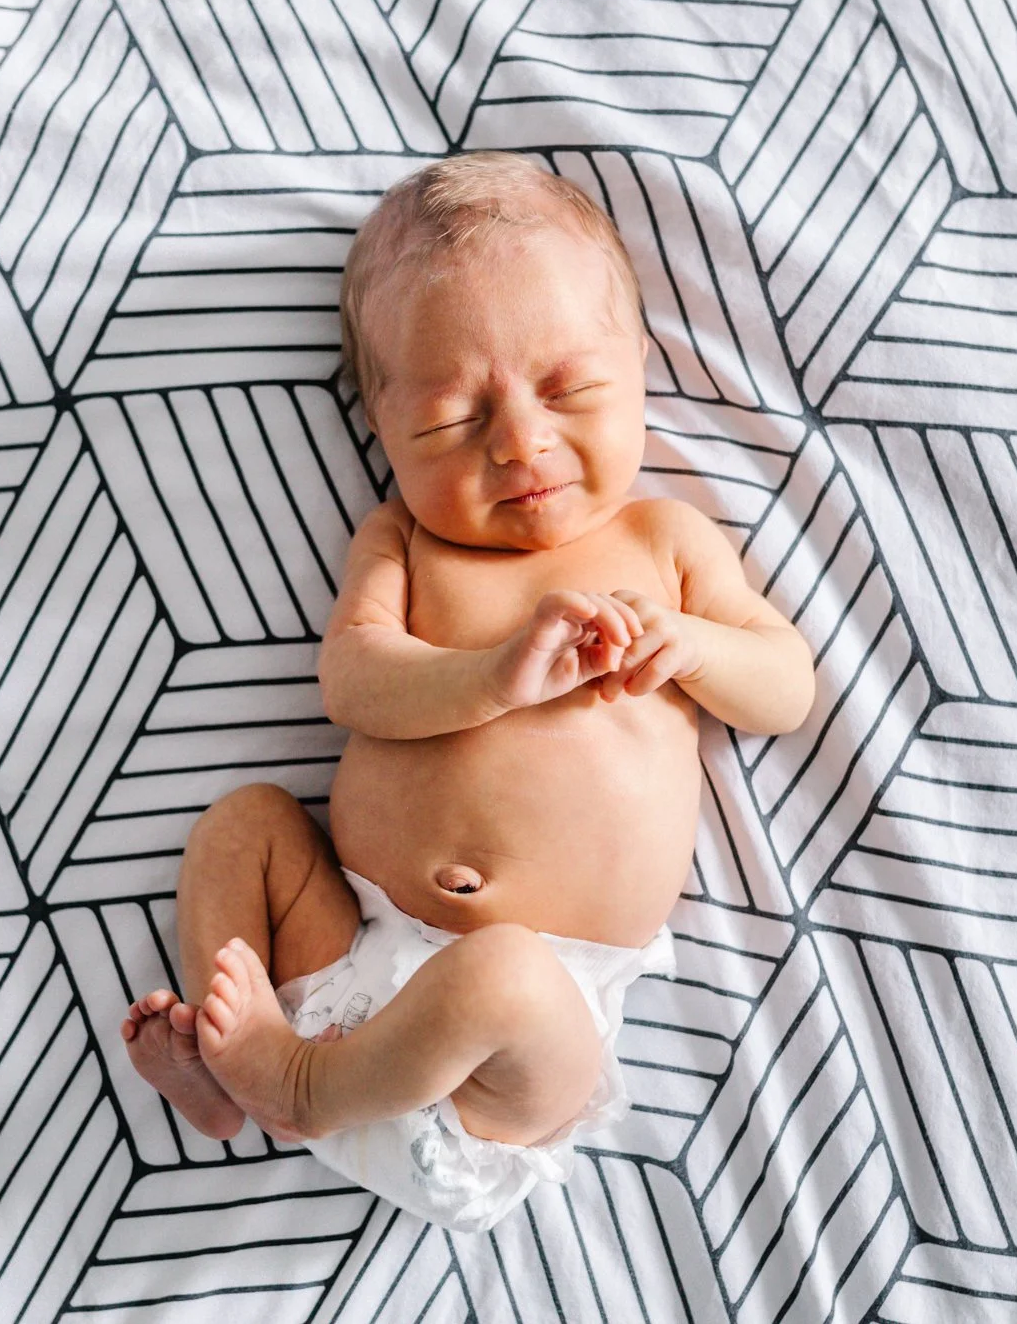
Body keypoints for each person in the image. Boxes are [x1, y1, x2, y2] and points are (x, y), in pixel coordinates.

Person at [120, 151, 816, 1232]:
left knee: (499, 973)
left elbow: (784, 687)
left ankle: (292, 1086)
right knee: (240, 826)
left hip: (517, 1048)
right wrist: (492, 676)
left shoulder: (662, 543)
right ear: (386, 432)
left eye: (569, 389)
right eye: (451, 421)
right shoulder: (399, 540)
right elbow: (352, 679)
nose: (520, 442)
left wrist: (685, 645)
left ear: (635, 364)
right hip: (341, 960)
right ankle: (229, 1074)